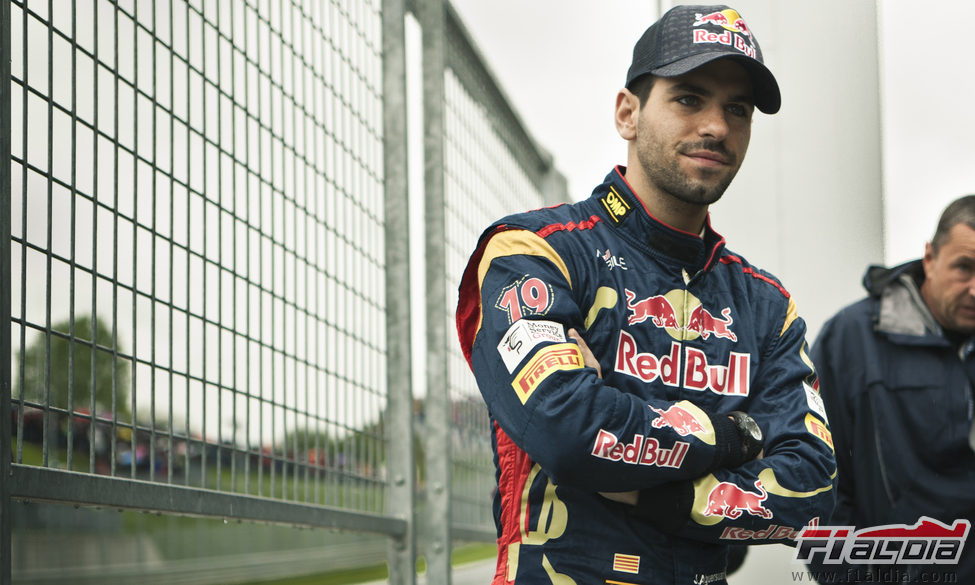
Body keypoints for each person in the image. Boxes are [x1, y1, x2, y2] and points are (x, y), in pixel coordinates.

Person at [455, 5, 836, 584]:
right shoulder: (534, 252)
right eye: (689, 98)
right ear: (627, 114)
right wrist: (735, 438)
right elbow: (567, 426)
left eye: (737, 109)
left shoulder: (765, 305)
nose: (716, 125)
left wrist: (661, 496)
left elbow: (811, 487)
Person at [809, 195, 975, 583]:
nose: (974, 290)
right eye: (964, 268)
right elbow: (816, 477)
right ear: (930, 258)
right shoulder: (852, 338)